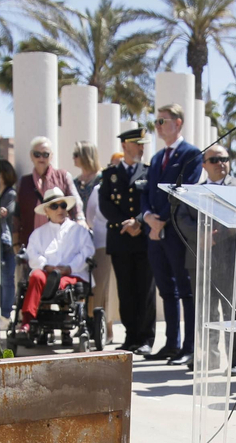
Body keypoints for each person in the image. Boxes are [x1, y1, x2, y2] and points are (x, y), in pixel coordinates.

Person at [174, 143, 236, 371]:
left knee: (234, 311)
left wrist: (216, 237)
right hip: (202, 258)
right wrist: (200, 237)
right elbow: (182, 218)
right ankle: (210, 356)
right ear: (204, 165)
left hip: (233, 258)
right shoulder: (193, 191)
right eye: (214, 160)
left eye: (224, 159)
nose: (221, 164)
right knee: (205, 310)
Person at [143, 104, 203, 366]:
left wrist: (162, 221)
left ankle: (188, 347)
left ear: (178, 123)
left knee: (185, 291)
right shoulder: (156, 158)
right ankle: (171, 343)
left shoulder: (191, 154)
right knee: (166, 291)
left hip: (177, 233)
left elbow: (183, 191)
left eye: (162, 121)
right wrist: (147, 217)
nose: (157, 126)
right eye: (156, 122)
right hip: (156, 233)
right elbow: (147, 191)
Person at [100, 126, 155, 353]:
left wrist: (139, 222)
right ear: (124, 145)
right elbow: (105, 205)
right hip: (121, 239)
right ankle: (130, 337)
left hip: (143, 238)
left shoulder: (149, 172)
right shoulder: (109, 175)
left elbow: (152, 201)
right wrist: (126, 223)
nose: (141, 148)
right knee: (126, 291)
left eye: (143, 145)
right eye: (137, 144)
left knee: (145, 290)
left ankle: (145, 339)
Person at [19, 185, 94, 336]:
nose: (60, 209)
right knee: (36, 276)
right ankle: (26, 322)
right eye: (54, 206)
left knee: (60, 282)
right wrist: (46, 266)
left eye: (63, 205)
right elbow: (32, 254)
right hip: (47, 274)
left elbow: (87, 252)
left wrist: (69, 268)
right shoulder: (38, 233)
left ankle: (61, 316)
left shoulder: (79, 231)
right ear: (46, 211)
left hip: (72, 275)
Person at [72, 141, 115, 324]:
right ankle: (84, 319)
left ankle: (98, 321)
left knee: (100, 283)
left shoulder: (101, 180)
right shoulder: (75, 182)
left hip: (99, 238)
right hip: (78, 240)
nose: (73, 158)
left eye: (76, 154)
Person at [13, 136, 76, 247]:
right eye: (37, 154)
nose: (41, 158)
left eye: (45, 154)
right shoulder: (23, 182)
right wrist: (15, 242)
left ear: (51, 156)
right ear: (31, 156)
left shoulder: (63, 176)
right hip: (31, 243)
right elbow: (17, 214)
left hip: (62, 243)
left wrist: (80, 220)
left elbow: (75, 205)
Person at [0, 158, 18, 319]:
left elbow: (7, 212)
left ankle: (6, 314)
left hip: (7, 242)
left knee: (7, 278)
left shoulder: (10, 193)